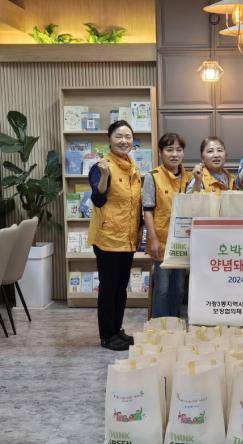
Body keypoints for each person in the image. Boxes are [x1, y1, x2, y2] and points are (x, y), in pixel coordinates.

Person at [88, 120, 142, 351]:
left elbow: (135, 203)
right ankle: (107, 336)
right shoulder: (101, 166)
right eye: (119, 136)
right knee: (109, 288)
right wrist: (103, 175)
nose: (124, 141)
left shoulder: (133, 167)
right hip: (108, 239)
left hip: (127, 238)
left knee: (120, 288)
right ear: (109, 139)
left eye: (128, 137)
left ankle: (116, 330)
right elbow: (98, 199)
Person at [142, 133, 192, 318]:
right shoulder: (152, 177)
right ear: (160, 152)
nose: (174, 154)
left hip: (182, 242)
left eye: (179, 150)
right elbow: (147, 210)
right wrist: (153, 239)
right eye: (169, 150)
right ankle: (159, 326)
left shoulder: (189, 177)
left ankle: (174, 323)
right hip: (161, 240)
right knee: (162, 288)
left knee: (178, 288)